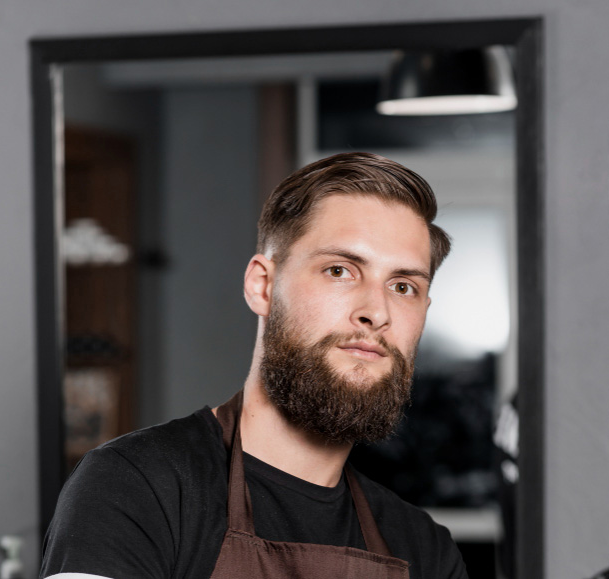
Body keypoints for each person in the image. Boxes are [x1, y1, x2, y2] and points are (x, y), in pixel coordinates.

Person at [40, 152, 468, 579]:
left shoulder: (425, 550)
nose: (376, 312)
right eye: (340, 270)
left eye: (403, 286)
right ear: (262, 286)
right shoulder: (137, 485)